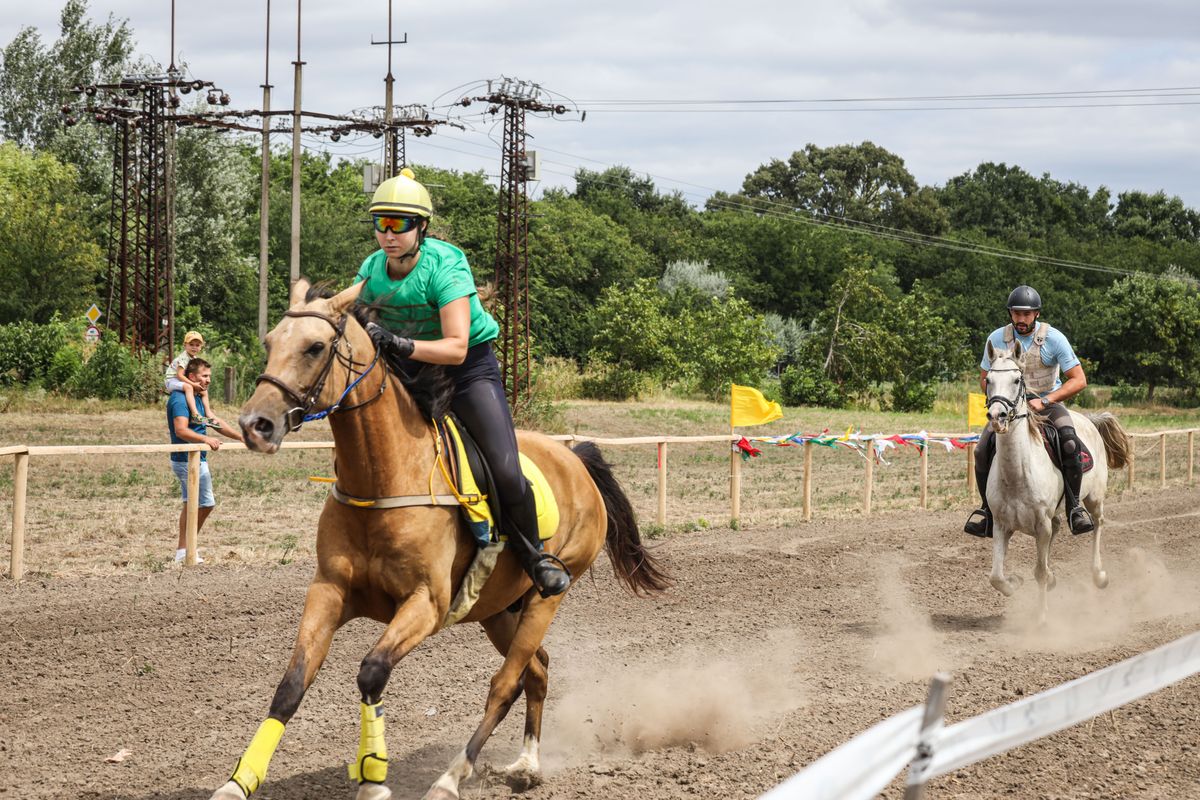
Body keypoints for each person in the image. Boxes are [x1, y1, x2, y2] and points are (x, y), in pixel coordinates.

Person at [354, 167, 571, 597]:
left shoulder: (446, 263)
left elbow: (455, 347)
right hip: (409, 370)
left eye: (399, 224)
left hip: (467, 370)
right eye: (381, 223)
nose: (388, 234)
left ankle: (535, 558)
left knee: (506, 470)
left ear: (422, 227)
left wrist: (397, 341)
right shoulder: (371, 268)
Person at [964, 285, 1093, 539]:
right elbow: (984, 379)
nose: (1020, 319)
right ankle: (987, 512)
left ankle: (1075, 507)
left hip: (1048, 402)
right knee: (981, 450)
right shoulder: (996, 338)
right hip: (1010, 407)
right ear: (1010, 313)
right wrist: (1000, 398)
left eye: (1026, 314)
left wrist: (1045, 400)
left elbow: (1078, 380)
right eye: (1016, 313)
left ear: (1036, 314)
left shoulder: (1054, 339)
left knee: (1068, 440)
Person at [167, 357, 243, 563]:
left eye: (209, 376)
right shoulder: (180, 398)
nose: (208, 380)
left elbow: (212, 421)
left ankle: (184, 551)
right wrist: (205, 438)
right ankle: (187, 549)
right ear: (191, 377)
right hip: (185, 459)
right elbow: (181, 430)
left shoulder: (198, 397)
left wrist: (240, 436)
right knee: (205, 503)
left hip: (197, 457)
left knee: (191, 503)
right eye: (204, 376)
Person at [165, 330, 219, 428]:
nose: (194, 347)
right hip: (172, 381)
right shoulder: (183, 358)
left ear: (201, 346)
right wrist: (193, 385)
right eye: (191, 344)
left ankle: (208, 413)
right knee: (189, 387)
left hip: (180, 380)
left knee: (204, 391)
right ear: (185, 345)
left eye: (197, 345)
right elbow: (179, 375)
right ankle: (195, 415)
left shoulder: (193, 358)